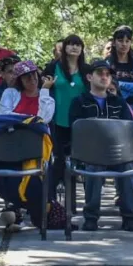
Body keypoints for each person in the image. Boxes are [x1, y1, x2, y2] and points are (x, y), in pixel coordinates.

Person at [68, 59, 133, 232]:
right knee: (93, 165)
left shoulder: (119, 102)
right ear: (89, 77)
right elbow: (76, 131)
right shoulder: (79, 102)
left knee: (128, 166)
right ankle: (91, 217)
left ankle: (129, 217)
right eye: (100, 73)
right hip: (90, 153)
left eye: (108, 74)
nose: (105, 77)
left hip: (118, 153)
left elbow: (128, 131)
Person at [43, 34, 86, 198]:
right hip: (57, 119)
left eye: (78, 45)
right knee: (58, 161)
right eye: (70, 44)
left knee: (78, 162)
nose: (74, 47)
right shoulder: (53, 66)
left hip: (80, 122)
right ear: (64, 47)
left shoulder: (86, 70)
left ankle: (75, 204)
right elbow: (44, 87)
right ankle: (50, 202)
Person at [106, 25, 133, 137]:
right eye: (120, 41)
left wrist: (120, 85)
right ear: (114, 43)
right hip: (113, 107)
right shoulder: (108, 63)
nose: (124, 44)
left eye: (127, 41)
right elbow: (107, 85)